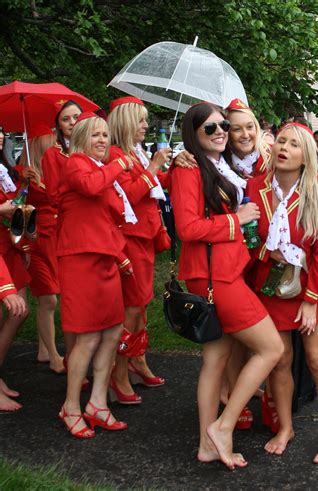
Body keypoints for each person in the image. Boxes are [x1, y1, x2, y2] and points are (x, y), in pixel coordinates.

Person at [169, 102, 283, 469]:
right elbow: (187, 229)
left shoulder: (219, 165)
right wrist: (235, 221)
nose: (220, 132)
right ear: (194, 133)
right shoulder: (189, 168)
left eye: (223, 126)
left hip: (225, 271)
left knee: (215, 359)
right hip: (214, 275)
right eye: (210, 128)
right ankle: (224, 426)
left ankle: (206, 444)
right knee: (271, 348)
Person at [247, 122, 318, 463]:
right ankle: (285, 427)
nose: (283, 147)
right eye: (280, 141)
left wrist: (312, 302)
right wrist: (264, 253)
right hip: (270, 288)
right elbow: (246, 239)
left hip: (312, 289)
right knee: (280, 360)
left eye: (294, 144)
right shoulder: (254, 187)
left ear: (306, 156)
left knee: (317, 359)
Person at [56, 112, 133, 437]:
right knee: (87, 337)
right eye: (96, 135)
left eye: (106, 135)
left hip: (105, 261)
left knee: (113, 331)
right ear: (80, 138)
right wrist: (119, 165)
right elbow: (90, 188)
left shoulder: (103, 171)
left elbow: (110, 217)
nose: (103, 140)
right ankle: (71, 406)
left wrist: (120, 255)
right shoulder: (76, 163)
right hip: (80, 262)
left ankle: (98, 404)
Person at [107, 96, 172, 403]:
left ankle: (137, 358)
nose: (146, 125)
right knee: (132, 306)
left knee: (141, 304)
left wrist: (168, 168)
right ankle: (117, 371)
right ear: (126, 122)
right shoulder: (114, 154)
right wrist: (154, 167)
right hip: (129, 239)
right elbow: (127, 196)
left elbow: (155, 184)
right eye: (141, 120)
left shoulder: (136, 152)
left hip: (145, 235)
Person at [17, 125, 64, 373]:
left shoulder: (53, 172)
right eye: (51, 144)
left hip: (57, 240)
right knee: (48, 298)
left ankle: (45, 348)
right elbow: (16, 209)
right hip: (36, 241)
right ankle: (53, 354)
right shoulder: (24, 175)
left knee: (53, 297)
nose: (56, 147)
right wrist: (25, 184)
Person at [41, 100, 83, 368]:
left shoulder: (92, 148)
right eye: (66, 119)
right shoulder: (52, 155)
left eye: (76, 117)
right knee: (66, 296)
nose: (72, 123)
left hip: (86, 227)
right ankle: (70, 357)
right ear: (58, 124)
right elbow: (54, 195)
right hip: (63, 227)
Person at [0, 125, 30, 412]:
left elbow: (13, 204)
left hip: (8, 248)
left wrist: (24, 185)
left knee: (20, 311)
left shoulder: (4, 167)